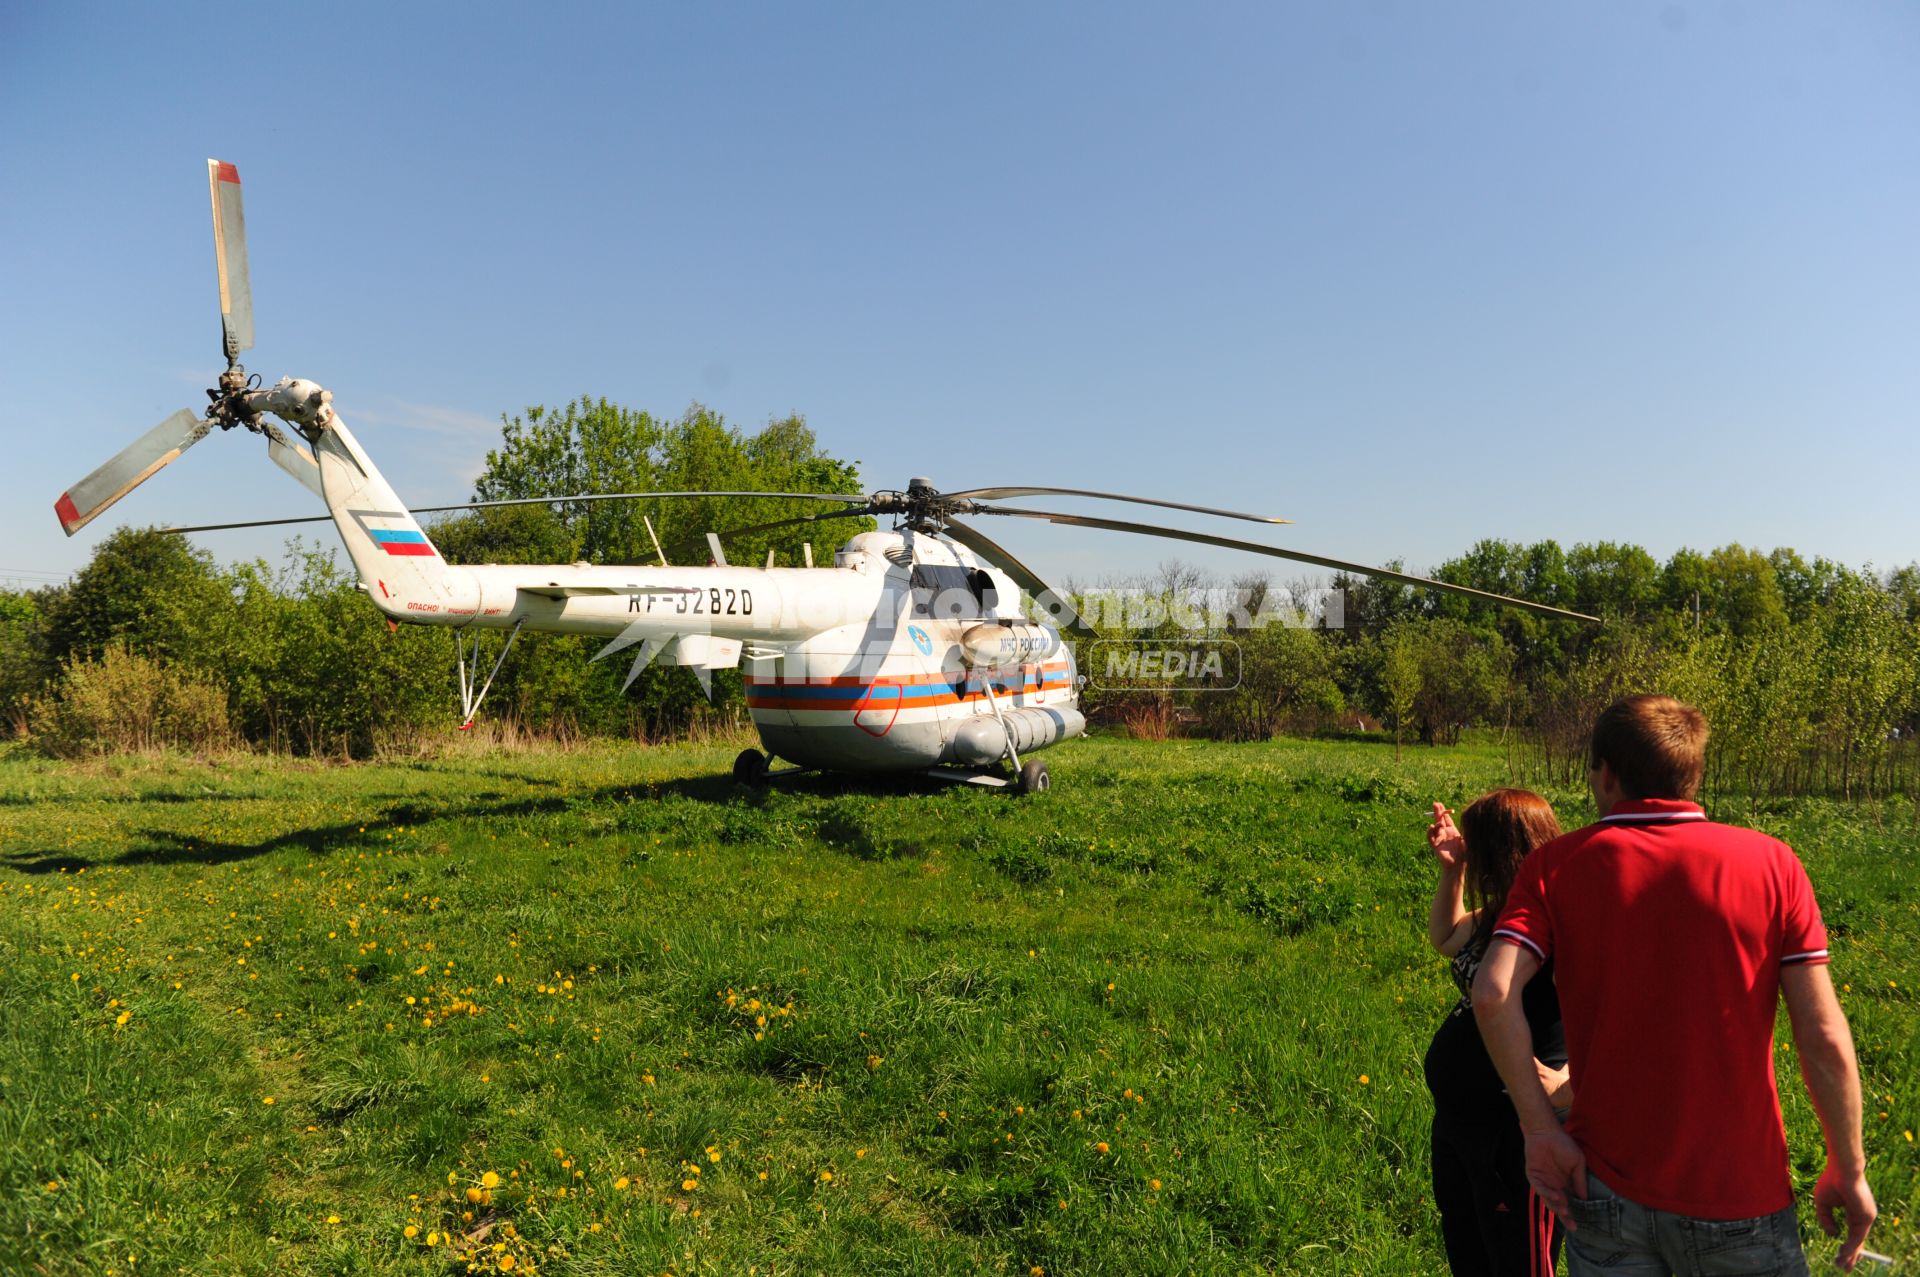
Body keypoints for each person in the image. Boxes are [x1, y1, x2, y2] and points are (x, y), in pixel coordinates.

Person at [1472, 694, 1877, 1275]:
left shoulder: (1554, 867)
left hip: (1603, 1187)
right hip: (1739, 1192)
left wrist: (1538, 1129)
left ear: (1607, 774)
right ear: (1692, 774)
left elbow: (1492, 993)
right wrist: (1848, 1166)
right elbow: (1822, 1035)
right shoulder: (1772, 863)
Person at [1423, 790, 1570, 1277]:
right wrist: (1452, 872)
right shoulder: (1500, 915)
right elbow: (1446, 938)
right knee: (1470, 1255)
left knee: (1519, 1262)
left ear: (1503, 851)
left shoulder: (1561, 923)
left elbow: (1615, 1012)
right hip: (1460, 1124)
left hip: (1518, 1131)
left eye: (1476, 846)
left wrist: (1569, 1084)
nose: (1471, 853)